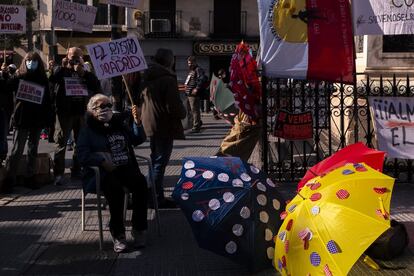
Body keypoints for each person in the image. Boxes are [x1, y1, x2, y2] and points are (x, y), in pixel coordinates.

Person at [77, 94, 148, 253]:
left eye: (109, 105)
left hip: (126, 167)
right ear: (93, 110)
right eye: (102, 107)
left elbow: (137, 139)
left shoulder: (119, 125)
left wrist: (137, 122)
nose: (107, 109)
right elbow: (81, 155)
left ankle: (139, 229)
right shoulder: (88, 130)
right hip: (103, 172)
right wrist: (101, 161)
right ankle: (118, 234)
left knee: (141, 184)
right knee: (115, 190)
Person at [140, 48, 186, 208]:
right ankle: (155, 198)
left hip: (152, 123)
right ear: (169, 61)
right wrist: (183, 112)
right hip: (163, 124)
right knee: (159, 161)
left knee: (155, 160)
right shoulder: (167, 79)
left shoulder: (148, 76)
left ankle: (151, 194)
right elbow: (173, 105)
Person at [49, 47, 101, 185]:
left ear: (82, 58)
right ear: (67, 56)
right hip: (64, 113)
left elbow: (96, 86)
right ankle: (58, 173)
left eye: (77, 57)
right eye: (72, 57)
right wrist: (62, 67)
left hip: (81, 112)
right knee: (61, 143)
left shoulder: (85, 72)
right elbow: (52, 80)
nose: (74, 60)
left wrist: (83, 73)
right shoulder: (62, 70)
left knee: (80, 143)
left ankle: (76, 169)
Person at [3, 52, 53, 191]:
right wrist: (11, 75)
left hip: (36, 119)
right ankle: (10, 178)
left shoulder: (42, 79)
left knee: (33, 149)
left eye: (35, 61)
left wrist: (47, 119)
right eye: (29, 60)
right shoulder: (19, 77)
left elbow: (47, 101)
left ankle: (30, 177)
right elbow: (6, 87)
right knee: (17, 150)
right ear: (25, 61)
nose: (31, 63)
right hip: (22, 118)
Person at [185, 56, 207, 133]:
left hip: (193, 94)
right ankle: (198, 122)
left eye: (191, 63)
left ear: (195, 62)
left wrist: (197, 88)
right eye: (188, 63)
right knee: (191, 110)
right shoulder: (192, 70)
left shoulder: (198, 69)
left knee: (195, 110)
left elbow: (203, 78)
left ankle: (196, 126)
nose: (189, 65)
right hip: (189, 93)